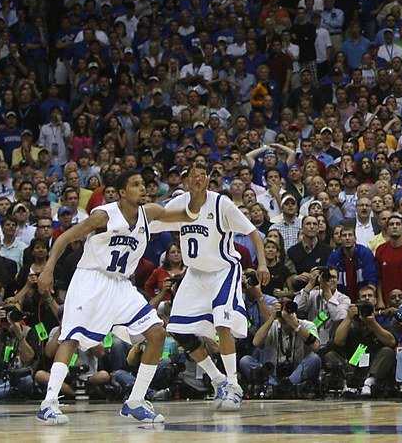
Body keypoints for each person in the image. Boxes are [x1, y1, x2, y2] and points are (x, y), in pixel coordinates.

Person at [34, 171, 194, 425]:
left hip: (121, 284)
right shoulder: (104, 215)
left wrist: (198, 194)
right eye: (135, 184)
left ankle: (135, 401)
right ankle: (49, 402)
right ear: (121, 192)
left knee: (156, 333)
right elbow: (65, 237)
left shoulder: (149, 212)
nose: (143, 188)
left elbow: (186, 215)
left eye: (143, 184)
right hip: (91, 279)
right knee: (72, 337)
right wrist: (48, 268)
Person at [159, 163, 270, 410]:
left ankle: (233, 385)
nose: (198, 180)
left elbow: (253, 232)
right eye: (193, 176)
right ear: (187, 181)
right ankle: (217, 379)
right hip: (194, 274)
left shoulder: (222, 204)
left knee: (222, 324)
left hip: (223, 271)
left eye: (202, 176)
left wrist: (262, 263)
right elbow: (155, 221)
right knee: (178, 330)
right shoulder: (179, 204)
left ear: (208, 180)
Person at [325, 284, 397, 398]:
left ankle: (369, 382)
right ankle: (347, 384)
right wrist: (349, 318)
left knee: (388, 352)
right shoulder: (350, 326)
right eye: (364, 296)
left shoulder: (380, 324)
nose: (367, 298)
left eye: (370, 295)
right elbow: (337, 341)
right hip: (352, 368)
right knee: (330, 355)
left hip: (374, 367)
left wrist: (372, 324)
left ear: (375, 301)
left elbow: (392, 342)